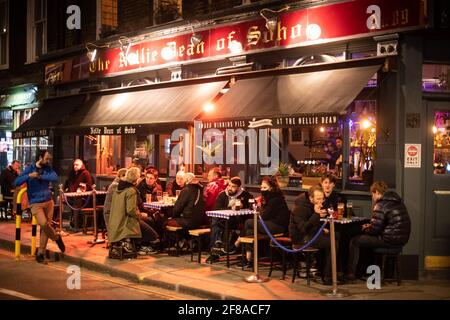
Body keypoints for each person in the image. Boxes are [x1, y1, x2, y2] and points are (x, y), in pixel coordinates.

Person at [345, 181, 411, 282]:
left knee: (356, 240)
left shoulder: (381, 204)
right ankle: (363, 272)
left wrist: (365, 228)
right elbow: (386, 224)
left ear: (376, 192)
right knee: (364, 240)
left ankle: (350, 274)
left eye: (372, 194)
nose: (372, 197)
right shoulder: (397, 201)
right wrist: (371, 226)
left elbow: (375, 230)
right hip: (401, 240)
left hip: (388, 240)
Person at [14, 150, 65, 263]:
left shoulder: (47, 169)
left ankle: (40, 253)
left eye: (48, 159)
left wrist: (41, 177)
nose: (48, 160)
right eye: (46, 158)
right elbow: (16, 181)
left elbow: (55, 177)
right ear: (40, 158)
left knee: (45, 228)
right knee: (43, 224)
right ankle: (56, 237)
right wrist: (29, 176)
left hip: (48, 201)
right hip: (35, 203)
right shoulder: (30, 169)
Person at [235, 176, 290, 269]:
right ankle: (249, 259)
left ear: (271, 188)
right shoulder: (268, 198)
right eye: (261, 187)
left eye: (264, 188)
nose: (262, 190)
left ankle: (240, 239)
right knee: (250, 231)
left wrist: (260, 208)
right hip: (270, 224)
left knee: (248, 222)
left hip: (277, 226)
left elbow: (264, 217)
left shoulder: (275, 199)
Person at [289, 184, 338, 285]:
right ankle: (329, 277)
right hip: (301, 238)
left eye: (322, 199)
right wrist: (316, 214)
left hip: (311, 234)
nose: (321, 202)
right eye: (318, 199)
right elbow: (303, 229)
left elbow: (312, 225)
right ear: (311, 198)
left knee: (336, 235)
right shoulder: (300, 208)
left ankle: (323, 271)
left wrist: (321, 226)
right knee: (333, 243)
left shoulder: (314, 206)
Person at [206, 177, 254, 263]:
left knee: (216, 223)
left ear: (239, 187)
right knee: (216, 222)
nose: (229, 188)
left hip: (239, 221)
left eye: (233, 186)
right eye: (229, 185)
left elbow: (251, 209)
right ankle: (217, 248)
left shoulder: (246, 195)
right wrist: (229, 207)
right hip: (224, 220)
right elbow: (217, 209)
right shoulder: (222, 195)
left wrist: (244, 206)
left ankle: (217, 249)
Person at [108, 167, 142, 255]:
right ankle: (138, 246)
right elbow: (131, 210)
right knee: (152, 232)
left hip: (115, 222)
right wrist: (139, 215)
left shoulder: (118, 188)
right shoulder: (131, 190)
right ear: (136, 179)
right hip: (124, 224)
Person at [64, 159, 94, 231]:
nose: (75, 166)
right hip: (71, 195)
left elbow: (89, 185)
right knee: (61, 199)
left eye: (77, 165)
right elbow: (68, 183)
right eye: (74, 165)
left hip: (83, 197)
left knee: (77, 202)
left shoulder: (85, 173)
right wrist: (67, 189)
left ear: (81, 165)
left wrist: (82, 189)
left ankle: (77, 225)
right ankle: (70, 222)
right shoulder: (72, 174)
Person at [103, 168, 127, 232]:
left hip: (115, 213)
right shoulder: (116, 186)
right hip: (111, 214)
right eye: (125, 176)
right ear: (120, 176)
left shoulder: (120, 184)